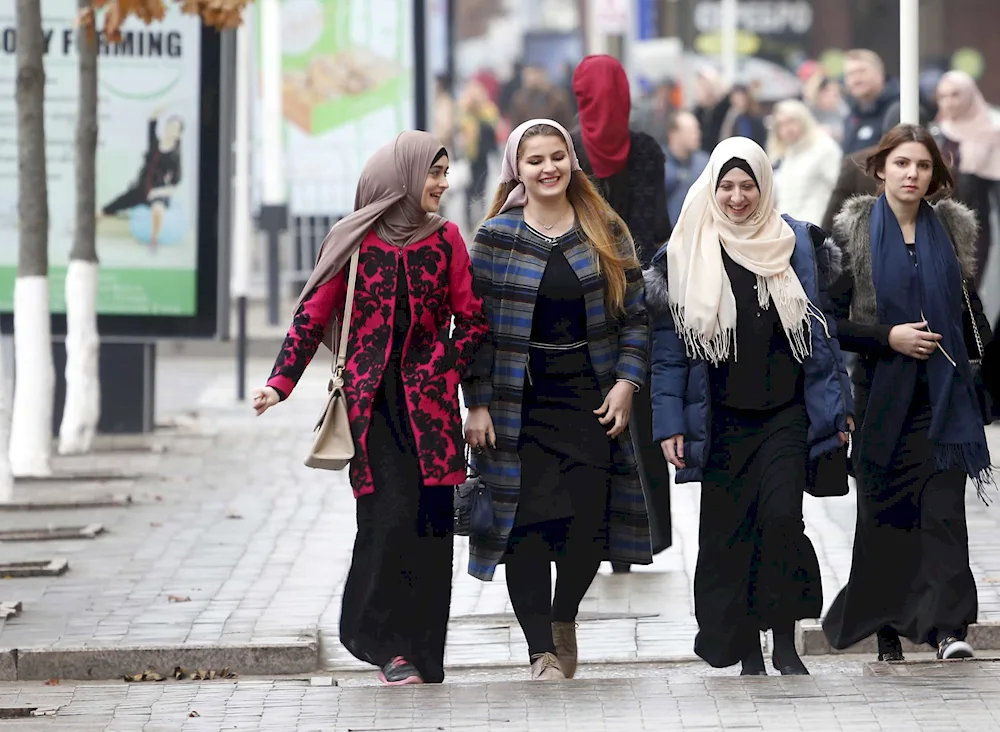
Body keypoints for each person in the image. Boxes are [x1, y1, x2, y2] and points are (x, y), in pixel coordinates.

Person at [252, 132, 489, 686]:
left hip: (430, 409)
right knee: (388, 518)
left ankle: (423, 650)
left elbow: (474, 319)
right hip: (370, 407)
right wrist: (279, 383)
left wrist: (444, 365)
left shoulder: (447, 240)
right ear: (401, 178)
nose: (442, 184)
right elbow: (312, 315)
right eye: (434, 173)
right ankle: (379, 639)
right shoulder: (354, 241)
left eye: (445, 172)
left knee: (430, 525)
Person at [647, 136, 853, 676]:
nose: (738, 197)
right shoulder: (687, 251)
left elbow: (823, 337)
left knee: (782, 519)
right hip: (720, 420)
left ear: (765, 186)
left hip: (785, 414)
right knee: (730, 534)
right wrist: (669, 424)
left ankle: (783, 641)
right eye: (728, 186)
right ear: (711, 188)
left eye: (748, 185)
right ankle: (745, 652)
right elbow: (669, 355)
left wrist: (839, 408)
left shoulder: (797, 244)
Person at [463, 119, 652, 681]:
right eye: (534, 160)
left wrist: (626, 381)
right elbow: (473, 328)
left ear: (571, 161)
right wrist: (475, 402)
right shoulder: (496, 237)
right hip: (517, 402)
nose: (547, 169)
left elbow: (636, 316)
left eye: (557, 157)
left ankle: (562, 617)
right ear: (516, 170)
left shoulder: (604, 227)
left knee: (590, 526)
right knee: (526, 526)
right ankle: (540, 649)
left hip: (588, 396)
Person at [822, 124, 995, 663]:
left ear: (934, 176)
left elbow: (971, 313)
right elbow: (825, 319)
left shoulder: (951, 230)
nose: (912, 174)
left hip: (944, 397)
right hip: (880, 394)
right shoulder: (852, 235)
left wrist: (983, 374)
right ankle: (888, 625)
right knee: (886, 513)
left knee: (943, 512)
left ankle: (946, 626)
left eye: (922, 166)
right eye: (901, 164)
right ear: (880, 170)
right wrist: (887, 338)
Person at [569, 54, 673, 573]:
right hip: (599, 298)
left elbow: (655, 223)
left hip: (622, 299)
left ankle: (629, 536)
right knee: (612, 415)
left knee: (631, 415)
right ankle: (618, 537)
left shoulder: (637, 150)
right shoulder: (568, 150)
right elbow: (654, 223)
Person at [936, 70, 1000, 290]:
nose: (949, 102)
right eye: (942, 96)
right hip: (935, 225)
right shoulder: (938, 133)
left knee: (967, 296)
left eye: (955, 95)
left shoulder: (993, 132)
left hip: (973, 230)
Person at [100, 107, 183, 250]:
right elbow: (152, 120)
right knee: (108, 208)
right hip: (140, 189)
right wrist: (165, 106)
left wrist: (158, 193)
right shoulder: (154, 143)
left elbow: (175, 184)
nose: (170, 130)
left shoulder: (175, 156)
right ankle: (81, 229)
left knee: (157, 210)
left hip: (158, 191)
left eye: (175, 128)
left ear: (179, 134)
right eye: (169, 126)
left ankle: (153, 240)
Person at [768, 99, 842, 225]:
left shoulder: (824, 148)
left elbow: (840, 191)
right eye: (781, 125)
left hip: (816, 231)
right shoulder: (788, 154)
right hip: (789, 231)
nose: (787, 129)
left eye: (792, 121)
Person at [842, 50, 899, 155]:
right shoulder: (850, 117)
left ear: (880, 73)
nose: (856, 79)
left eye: (862, 71)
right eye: (850, 74)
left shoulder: (898, 110)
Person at [664, 111, 710, 229]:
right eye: (690, 131)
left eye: (697, 130)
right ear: (673, 134)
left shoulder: (705, 164)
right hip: (668, 238)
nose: (697, 135)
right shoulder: (659, 165)